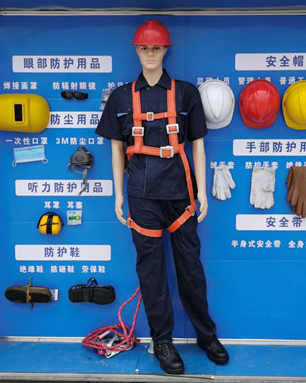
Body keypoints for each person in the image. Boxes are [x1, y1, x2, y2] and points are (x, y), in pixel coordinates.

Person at [95, 20, 228, 374]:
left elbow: (198, 145)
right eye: (144, 48)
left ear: (166, 50)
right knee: (152, 273)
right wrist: (118, 194)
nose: (150, 54)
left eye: (156, 48)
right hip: (141, 197)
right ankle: (162, 341)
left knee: (191, 269)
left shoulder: (186, 93)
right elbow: (116, 149)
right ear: (136, 51)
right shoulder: (121, 97)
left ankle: (206, 335)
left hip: (181, 195)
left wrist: (202, 192)